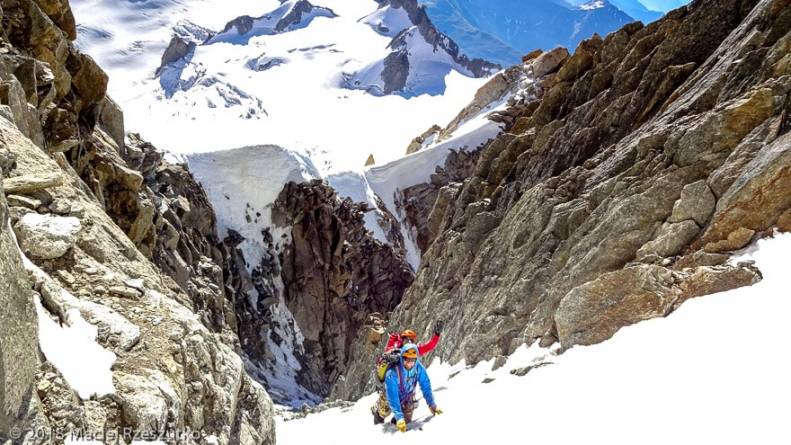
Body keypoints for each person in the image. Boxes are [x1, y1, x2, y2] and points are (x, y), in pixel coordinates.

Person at [371, 344, 442, 431]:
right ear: (402, 358)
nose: (409, 363)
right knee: (384, 412)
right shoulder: (392, 372)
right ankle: (377, 424)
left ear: (415, 359)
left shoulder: (418, 368)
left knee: (406, 420)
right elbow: (392, 396)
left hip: (406, 396)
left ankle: (394, 423)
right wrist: (399, 416)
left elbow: (425, 385)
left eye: (412, 360)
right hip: (389, 395)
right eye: (406, 359)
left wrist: (432, 405)